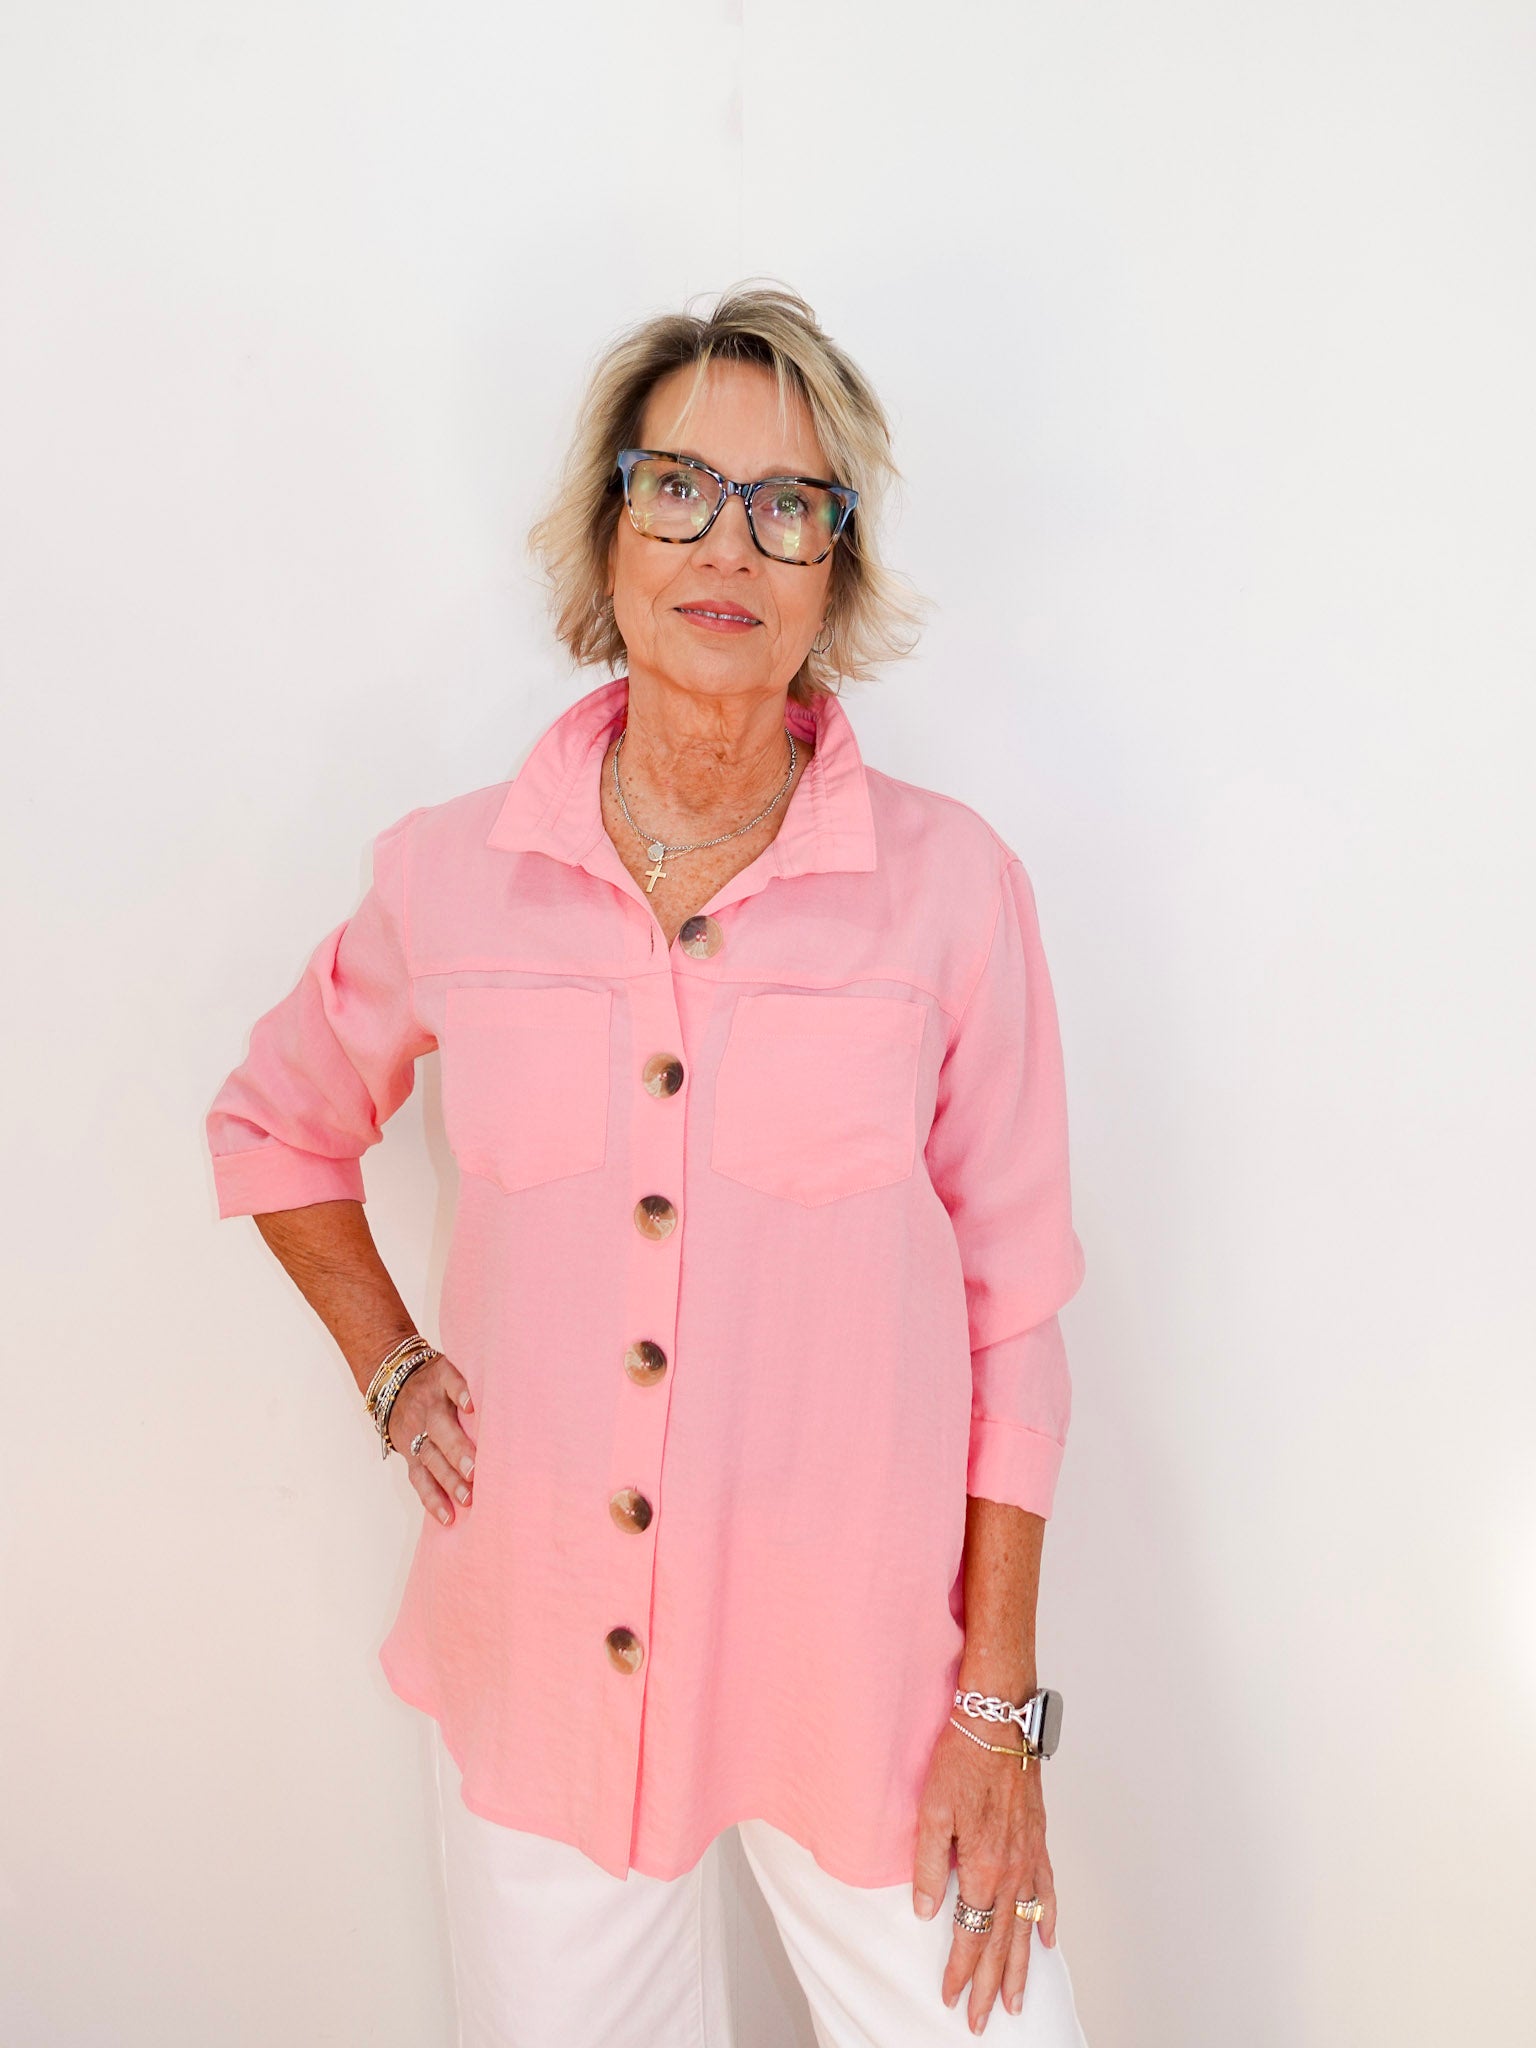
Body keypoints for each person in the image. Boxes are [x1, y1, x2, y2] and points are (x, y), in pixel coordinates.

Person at [205, 281, 1091, 2045]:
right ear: (606, 534)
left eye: (790, 504)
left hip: (867, 1691)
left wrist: (996, 1711)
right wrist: (391, 1366)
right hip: (542, 1658)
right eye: (676, 483)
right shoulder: (451, 875)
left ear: (835, 574)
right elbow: (277, 1121)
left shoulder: (950, 890)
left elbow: (1015, 1315)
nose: (729, 541)